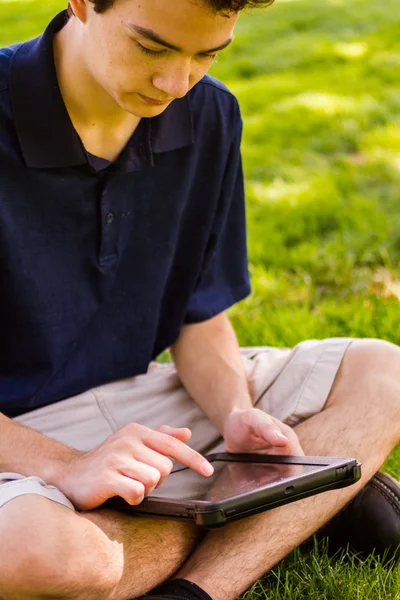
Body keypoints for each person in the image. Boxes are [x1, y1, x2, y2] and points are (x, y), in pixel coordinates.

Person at [0, 0, 399, 598]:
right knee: (48, 558)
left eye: (207, 53)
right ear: (80, 4)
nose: (176, 83)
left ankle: (198, 588)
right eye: (152, 47)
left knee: (384, 371)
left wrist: (233, 414)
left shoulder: (209, 113)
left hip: (145, 412)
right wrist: (65, 466)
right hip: (16, 438)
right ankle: (290, 516)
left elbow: (198, 313)